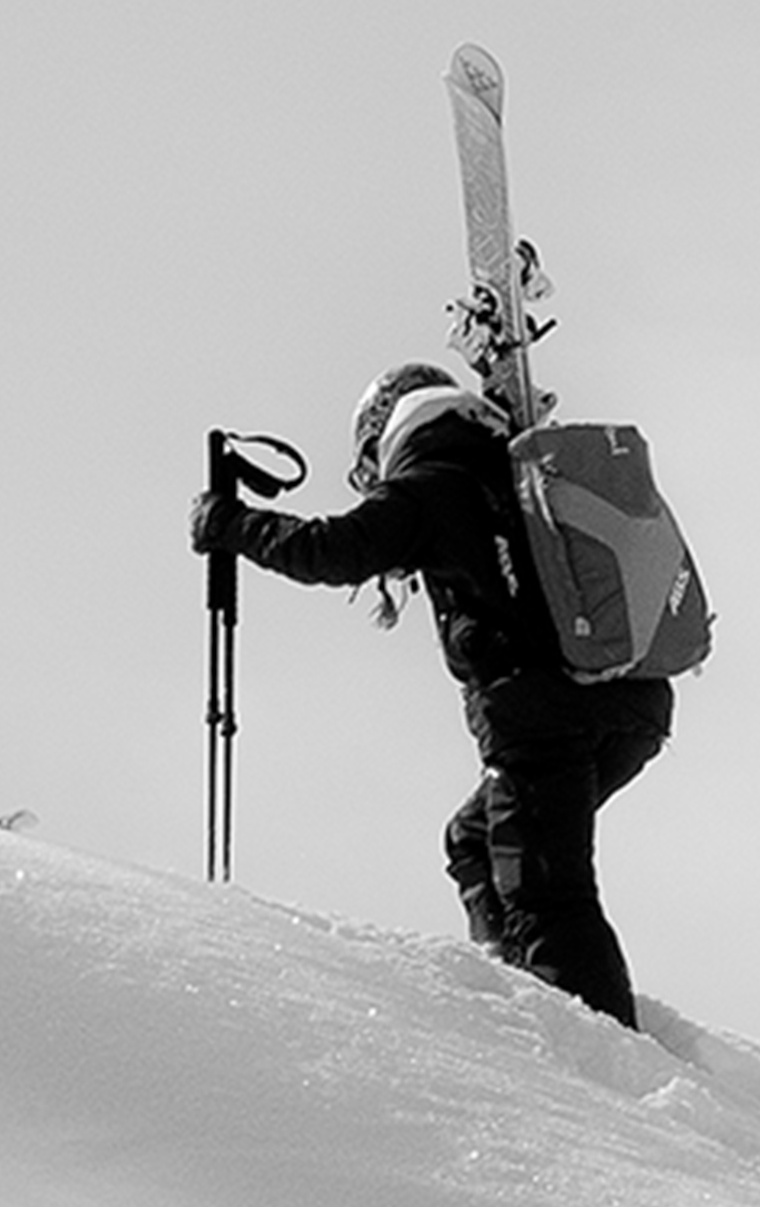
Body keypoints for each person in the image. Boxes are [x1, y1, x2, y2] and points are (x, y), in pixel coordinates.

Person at [188, 362, 672, 1029]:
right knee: (473, 840)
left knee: (545, 891)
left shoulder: (432, 484)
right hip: (630, 700)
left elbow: (332, 550)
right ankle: (514, 983)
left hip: (541, 713)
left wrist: (231, 526)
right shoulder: (511, 465)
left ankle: (600, 1056)